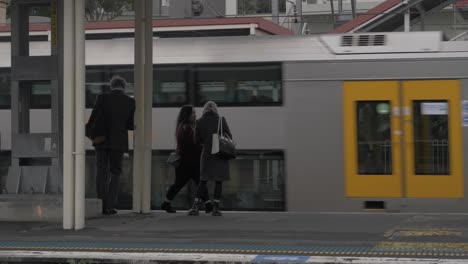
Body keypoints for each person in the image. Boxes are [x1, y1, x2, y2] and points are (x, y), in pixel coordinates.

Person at [86, 76, 135, 215]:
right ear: (124, 87)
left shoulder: (102, 98)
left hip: (101, 141)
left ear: (111, 86)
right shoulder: (131, 101)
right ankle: (110, 206)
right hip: (118, 143)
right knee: (115, 173)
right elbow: (130, 125)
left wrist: (91, 132)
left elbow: (93, 117)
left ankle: (101, 205)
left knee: (101, 172)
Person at [161, 105, 211, 213]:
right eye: (193, 113)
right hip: (187, 162)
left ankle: (208, 204)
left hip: (188, 161)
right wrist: (204, 147)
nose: (195, 115)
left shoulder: (185, 126)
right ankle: (208, 204)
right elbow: (192, 144)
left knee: (188, 182)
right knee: (196, 182)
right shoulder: (185, 127)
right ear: (187, 115)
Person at [188, 101, 232, 216]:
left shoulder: (199, 122)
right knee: (218, 181)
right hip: (220, 155)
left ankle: (196, 207)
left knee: (203, 181)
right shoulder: (221, 120)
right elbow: (229, 137)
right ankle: (216, 208)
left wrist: (205, 144)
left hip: (207, 155)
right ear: (215, 109)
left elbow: (196, 141)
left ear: (205, 110)